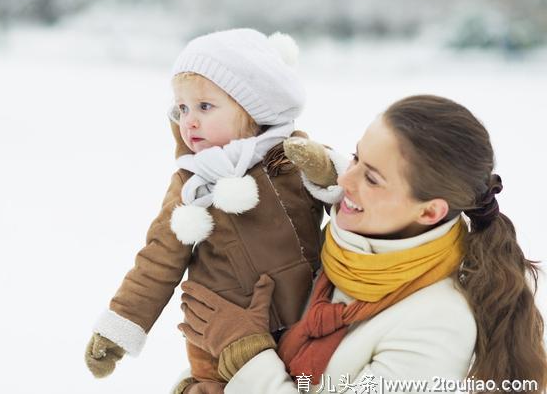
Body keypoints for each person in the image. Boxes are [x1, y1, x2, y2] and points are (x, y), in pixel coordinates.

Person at [179, 95, 547, 393]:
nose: (346, 179)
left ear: (430, 211)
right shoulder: (331, 251)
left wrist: (245, 354)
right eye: (356, 157)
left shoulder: (436, 325)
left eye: (372, 179)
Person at [83, 28, 350, 393]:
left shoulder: (289, 157)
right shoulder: (192, 184)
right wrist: (119, 327)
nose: (189, 121)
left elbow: (352, 196)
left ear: (252, 108)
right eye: (183, 108)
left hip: (304, 318)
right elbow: (158, 260)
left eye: (204, 107)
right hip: (218, 330)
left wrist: (324, 170)